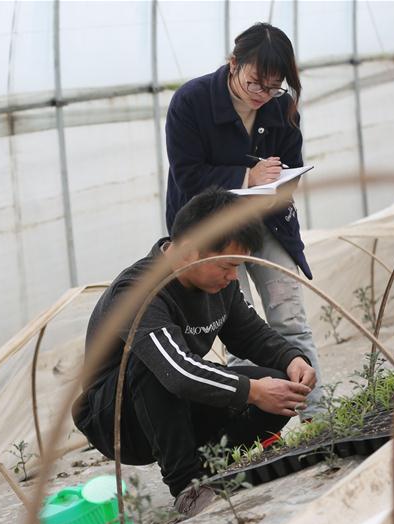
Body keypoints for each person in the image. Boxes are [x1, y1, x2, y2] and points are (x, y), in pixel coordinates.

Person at [72, 188, 316, 517]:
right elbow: (176, 371)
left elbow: (250, 333)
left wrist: (292, 359)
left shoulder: (220, 286)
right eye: (228, 266)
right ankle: (187, 486)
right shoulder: (136, 292)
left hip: (178, 403)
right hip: (119, 421)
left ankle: (215, 466)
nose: (234, 277)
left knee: (278, 385)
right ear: (188, 251)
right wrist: (252, 391)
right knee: (160, 364)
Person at [163, 22, 322, 418]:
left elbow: (291, 168)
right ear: (234, 64)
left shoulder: (280, 107)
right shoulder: (191, 102)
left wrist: (283, 183)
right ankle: (254, 435)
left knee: (291, 321)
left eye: (273, 87)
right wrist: (246, 177)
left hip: (267, 224)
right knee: (237, 333)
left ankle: (319, 419)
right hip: (213, 233)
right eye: (255, 84)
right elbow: (188, 174)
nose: (262, 96)